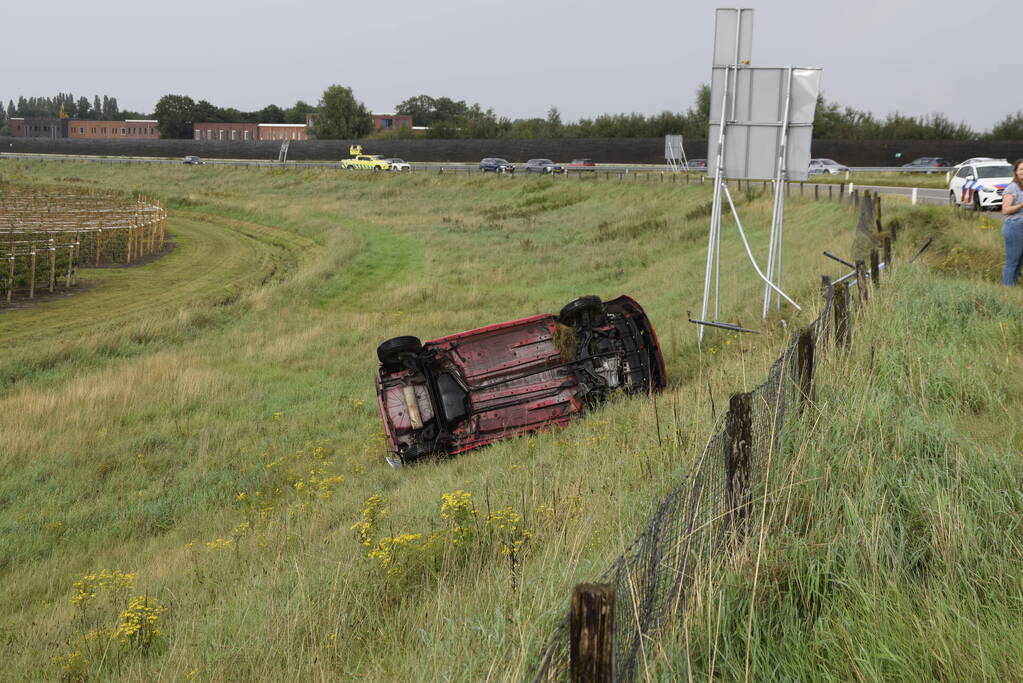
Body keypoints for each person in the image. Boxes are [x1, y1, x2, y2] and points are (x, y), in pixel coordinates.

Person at [1001, 159, 1023, 285]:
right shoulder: (1012, 187)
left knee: (1020, 261)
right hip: (1014, 227)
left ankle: (1014, 285)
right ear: (1016, 172)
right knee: (1012, 261)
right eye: (1021, 169)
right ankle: (1007, 290)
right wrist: (1021, 205)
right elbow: (1005, 210)